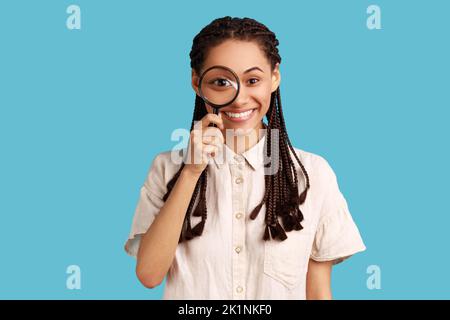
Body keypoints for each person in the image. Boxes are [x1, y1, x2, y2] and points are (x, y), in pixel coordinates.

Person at [124, 16, 366, 300]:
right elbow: (149, 275)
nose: (239, 99)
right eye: (221, 81)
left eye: (253, 80)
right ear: (196, 82)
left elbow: (318, 292)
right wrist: (190, 173)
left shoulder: (313, 173)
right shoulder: (167, 168)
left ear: (274, 78)